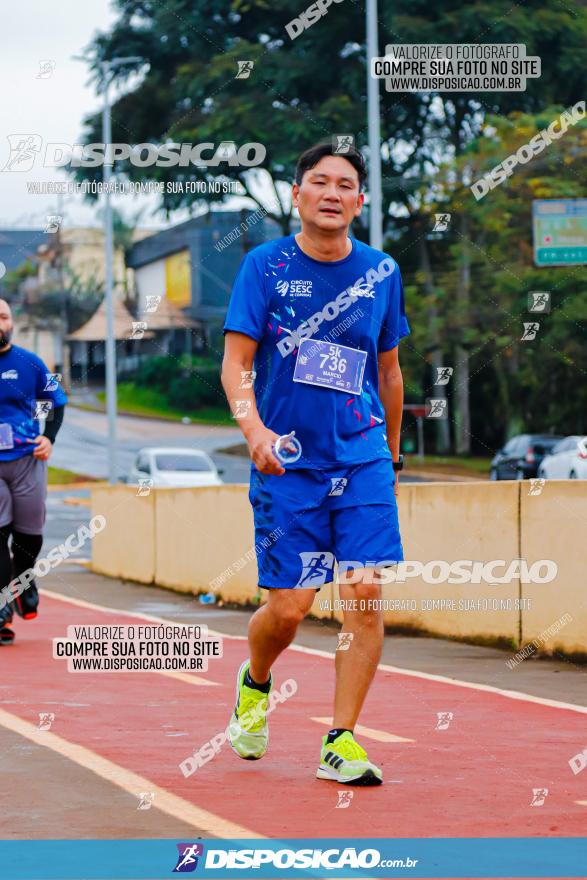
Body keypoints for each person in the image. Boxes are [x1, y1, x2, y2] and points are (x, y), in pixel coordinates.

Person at [221, 141, 410, 786]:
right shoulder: (264, 267)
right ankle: (256, 683)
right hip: (288, 463)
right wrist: (254, 430)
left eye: (345, 184)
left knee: (363, 590)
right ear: (298, 195)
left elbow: (388, 369)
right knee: (291, 609)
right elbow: (237, 364)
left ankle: (341, 739)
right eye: (319, 182)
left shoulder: (381, 271)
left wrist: (388, 449)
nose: (332, 193)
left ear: (361, 200)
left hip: (361, 459)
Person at [0, 299, 68, 645]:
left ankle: (24, 575)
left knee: (29, 535)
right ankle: (2, 613)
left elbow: (57, 402)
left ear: (12, 323)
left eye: (3, 316)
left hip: (28, 459)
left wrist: (48, 438)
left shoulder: (29, 363)